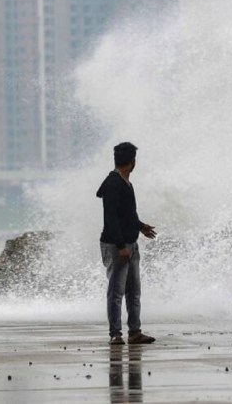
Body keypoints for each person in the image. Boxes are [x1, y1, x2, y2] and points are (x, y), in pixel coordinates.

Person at [98, 142, 157, 345]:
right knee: (116, 291)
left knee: (133, 290)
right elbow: (111, 218)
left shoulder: (125, 182)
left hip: (131, 242)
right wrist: (121, 246)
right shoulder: (113, 184)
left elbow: (126, 214)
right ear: (132, 162)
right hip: (117, 246)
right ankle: (116, 334)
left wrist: (140, 226)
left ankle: (135, 332)